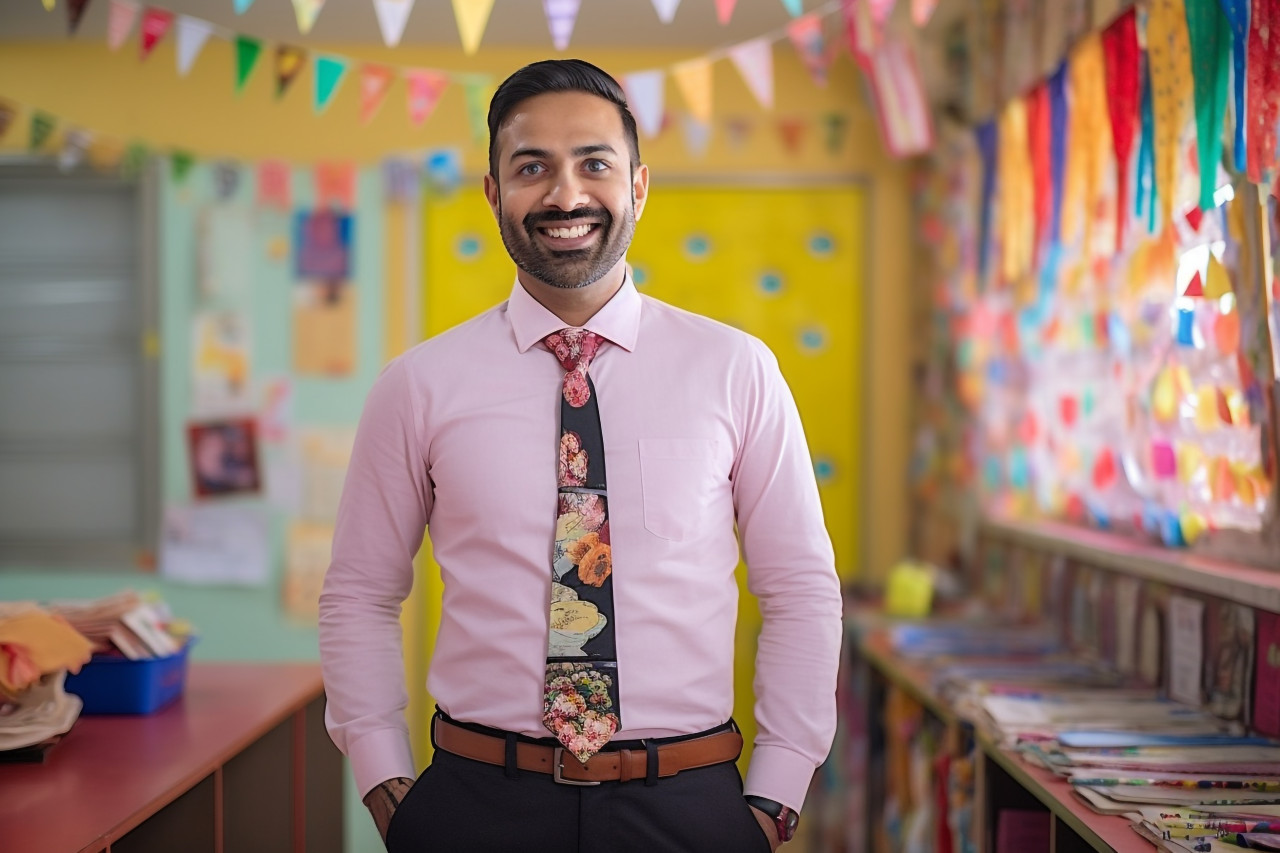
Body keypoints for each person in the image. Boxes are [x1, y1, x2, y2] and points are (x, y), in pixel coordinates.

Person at [319, 58, 843, 853]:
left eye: (593, 163)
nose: (565, 196)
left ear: (637, 185)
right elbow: (359, 591)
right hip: (474, 805)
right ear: (494, 193)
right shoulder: (417, 385)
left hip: (690, 804)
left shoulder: (736, 369)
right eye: (532, 167)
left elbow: (800, 587)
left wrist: (777, 791)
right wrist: (385, 778)